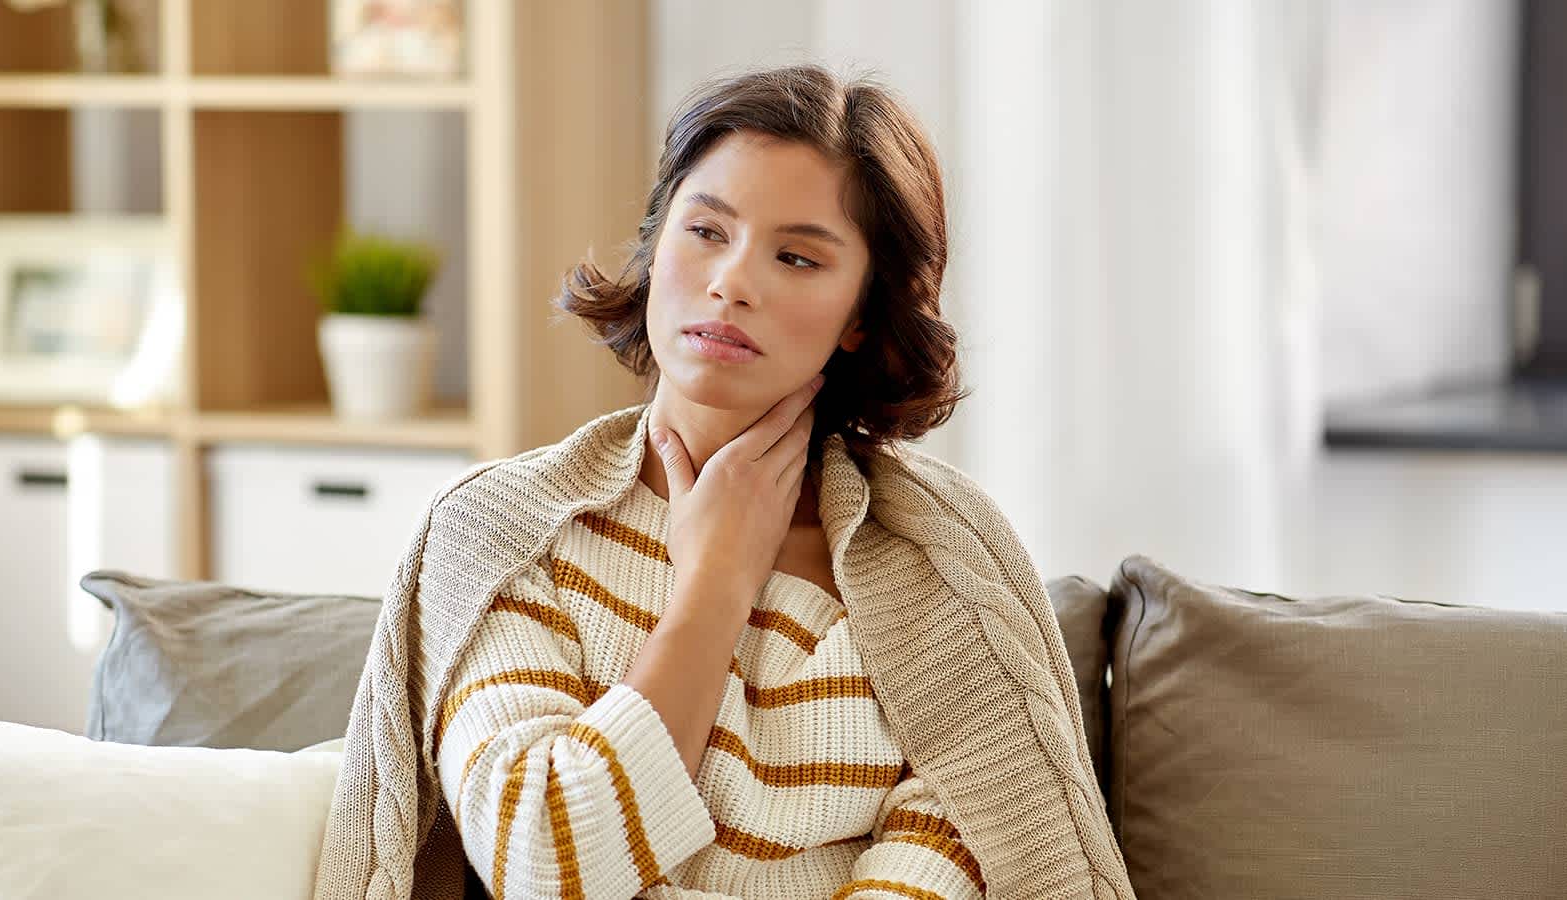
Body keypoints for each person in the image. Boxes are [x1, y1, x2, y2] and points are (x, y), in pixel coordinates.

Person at [312, 63, 1132, 900]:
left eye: (797, 257)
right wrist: (714, 585)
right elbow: (544, 861)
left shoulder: (942, 564)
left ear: (860, 314)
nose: (732, 282)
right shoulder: (499, 533)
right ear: (658, 241)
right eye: (706, 231)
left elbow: (981, 851)